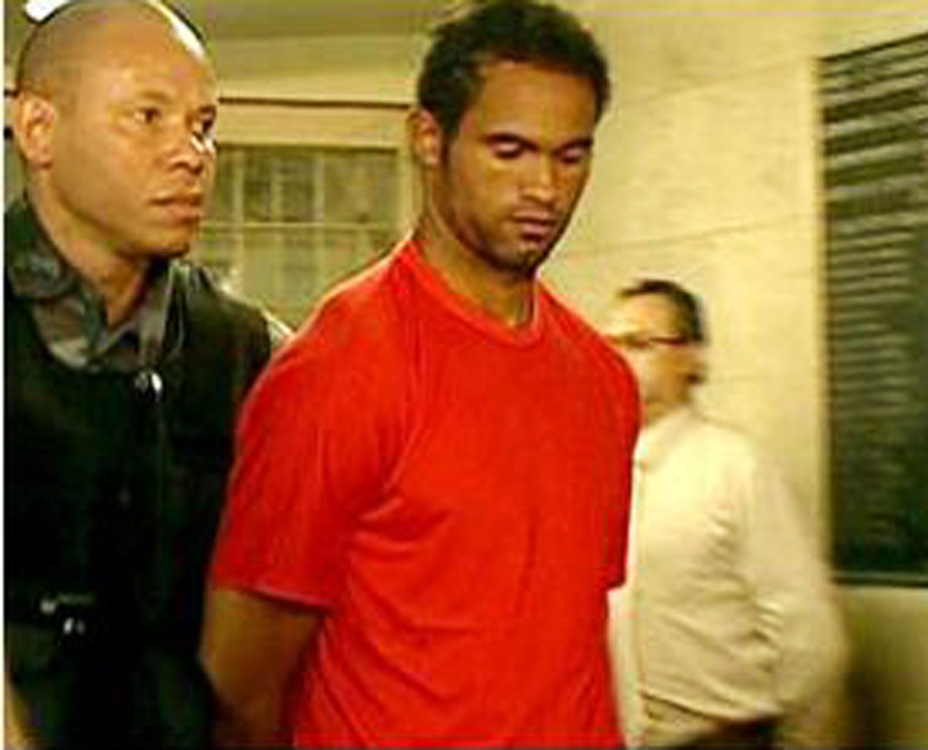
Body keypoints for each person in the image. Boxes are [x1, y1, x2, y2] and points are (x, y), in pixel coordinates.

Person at [199, 0, 640, 746]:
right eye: (509, 151)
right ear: (428, 138)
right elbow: (242, 674)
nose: (544, 188)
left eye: (571, 156)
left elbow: (571, 637)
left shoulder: (604, 380)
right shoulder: (340, 367)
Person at [4, 2, 280, 746]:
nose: (190, 154)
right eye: (147, 117)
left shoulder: (243, 350)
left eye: (203, 126)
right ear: (37, 128)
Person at [605, 279, 849, 749]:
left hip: (723, 738)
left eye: (639, 343)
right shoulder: (594, 470)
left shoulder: (734, 467)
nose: (617, 358)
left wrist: (793, 742)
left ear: (692, 358)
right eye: (610, 344)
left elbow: (809, 636)